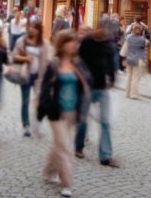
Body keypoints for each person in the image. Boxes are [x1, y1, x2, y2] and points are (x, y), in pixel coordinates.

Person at [38, 30, 91, 198]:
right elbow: (45, 89)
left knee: (59, 145)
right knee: (65, 147)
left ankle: (48, 171)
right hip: (57, 111)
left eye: (74, 42)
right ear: (62, 44)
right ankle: (66, 184)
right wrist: (43, 108)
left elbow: (86, 82)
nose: (73, 45)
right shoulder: (54, 64)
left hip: (72, 111)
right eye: (69, 42)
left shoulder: (78, 63)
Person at [75, 16, 118, 167]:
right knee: (82, 119)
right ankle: (79, 146)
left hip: (102, 87)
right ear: (99, 27)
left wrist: (112, 78)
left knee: (105, 121)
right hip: (87, 86)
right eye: (106, 30)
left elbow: (111, 64)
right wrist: (82, 79)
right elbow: (78, 62)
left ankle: (105, 156)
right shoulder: (87, 41)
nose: (108, 33)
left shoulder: (108, 44)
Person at [14, 18, 49, 137]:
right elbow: (14, 56)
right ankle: (26, 125)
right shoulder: (22, 41)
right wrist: (25, 58)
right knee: (25, 101)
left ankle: (37, 124)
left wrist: (45, 76)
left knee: (39, 101)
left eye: (35, 27)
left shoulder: (43, 44)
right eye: (31, 26)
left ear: (39, 30)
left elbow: (45, 60)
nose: (32, 29)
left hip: (38, 76)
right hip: (26, 75)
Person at [125, 24, 148, 99]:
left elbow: (125, 48)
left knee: (129, 76)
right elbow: (148, 43)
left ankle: (127, 93)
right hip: (139, 60)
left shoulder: (128, 38)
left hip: (129, 59)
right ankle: (134, 94)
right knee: (136, 78)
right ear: (140, 31)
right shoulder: (142, 39)